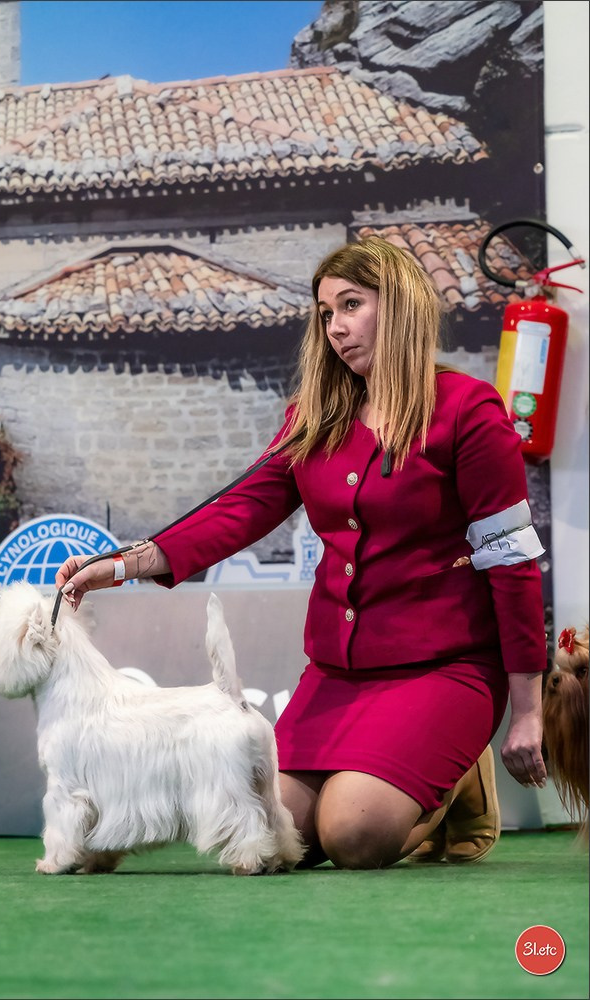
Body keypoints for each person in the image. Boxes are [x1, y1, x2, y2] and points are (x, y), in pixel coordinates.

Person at [55, 236, 549, 870]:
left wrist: (526, 711)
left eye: (351, 305)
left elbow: (510, 563)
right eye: (325, 314)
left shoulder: (468, 411)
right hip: (337, 676)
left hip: (444, 670)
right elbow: (237, 509)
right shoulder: (312, 418)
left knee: (354, 836)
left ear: (399, 307)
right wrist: (124, 564)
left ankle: (456, 792)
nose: (336, 328)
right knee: (271, 829)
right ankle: (412, 787)